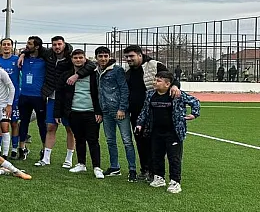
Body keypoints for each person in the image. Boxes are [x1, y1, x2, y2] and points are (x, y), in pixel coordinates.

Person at [136, 71, 200, 194]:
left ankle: (175, 182)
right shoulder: (150, 95)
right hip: (155, 132)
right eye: (155, 80)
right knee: (156, 156)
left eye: (158, 81)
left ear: (167, 84)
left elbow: (195, 101)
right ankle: (159, 178)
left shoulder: (176, 94)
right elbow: (145, 111)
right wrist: (139, 123)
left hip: (173, 132)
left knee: (174, 158)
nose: (155, 82)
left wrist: (194, 114)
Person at [124, 45, 180, 182]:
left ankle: (155, 172)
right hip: (136, 113)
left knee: (152, 143)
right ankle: (145, 170)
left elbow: (171, 79)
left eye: (131, 56)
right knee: (140, 142)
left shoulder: (154, 65)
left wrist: (175, 86)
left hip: (153, 113)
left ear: (140, 55)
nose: (129, 59)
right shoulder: (127, 70)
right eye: (126, 57)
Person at [39, 36, 95, 168]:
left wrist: (77, 75)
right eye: (54, 44)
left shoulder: (71, 57)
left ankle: (69, 158)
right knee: (50, 127)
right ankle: (46, 158)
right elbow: (32, 48)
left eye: (59, 44)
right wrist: (22, 54)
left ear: (64, 44)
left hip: (67, 99)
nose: (57, 47)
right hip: (52, 97)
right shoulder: (49, 55)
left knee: (70, 129)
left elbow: (91, 65)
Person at [54, 50, 104, 178]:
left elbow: (98, 94)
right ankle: (81, 164)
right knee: (79, 139)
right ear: (72, 60)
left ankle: (97, 167)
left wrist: (98, 111)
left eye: (80, 57)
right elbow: (59, 94)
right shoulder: (66, 75)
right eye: (75, 58)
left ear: (85, 59)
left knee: (93, 140)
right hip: (74, 112)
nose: (78, 60)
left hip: (91, 112)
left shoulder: (93, 75)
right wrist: (57, 113)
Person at [92, 47, 137, 180]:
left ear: (109, 56)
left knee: (127, 141)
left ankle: (132, 169)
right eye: (100, 56)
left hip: (119, 110)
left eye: (106, 56)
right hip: (106, 111)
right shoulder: (96, 71)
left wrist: (122, 108)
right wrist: (99, 110)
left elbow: (124, 89)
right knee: (110, 140)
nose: (103, 59)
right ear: (96, 57)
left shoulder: (117, 70)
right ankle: (114, 167)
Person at [16, 37, 47, 160]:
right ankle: (22, 149)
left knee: (42, 124)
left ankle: (45, 150)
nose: (27, 45)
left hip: (39, 97)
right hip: (24, 96)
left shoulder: (44, 60)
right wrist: (22, 54)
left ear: (37, 46)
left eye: (30, 44)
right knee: (23, 122)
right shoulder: (23, 58)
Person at [0, 38, 21, 158]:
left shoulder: (17, 59)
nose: (6, 46)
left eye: (8, 44)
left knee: (14, 123)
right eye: (4, 44)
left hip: (14, 96)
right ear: (1, 46)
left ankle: (14, 149)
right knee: (0, 123)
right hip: (0, 97)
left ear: (11, 46)